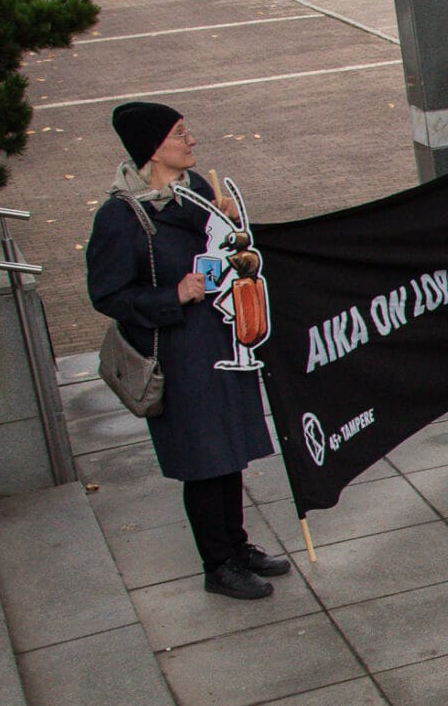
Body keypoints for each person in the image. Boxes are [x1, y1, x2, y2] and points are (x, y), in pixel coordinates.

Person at [85, 103, 292, 601]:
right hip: (179, 355)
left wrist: (231, 228)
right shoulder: (121, 216)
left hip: (218, 339)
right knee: (203, 459)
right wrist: (170, 296)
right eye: (181, 134)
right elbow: (108, 295)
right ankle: (217, 564)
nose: (191, 141)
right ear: (154, 148)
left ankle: (237, 546)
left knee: (230, 451)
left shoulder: (196, 190)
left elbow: (220, 258)